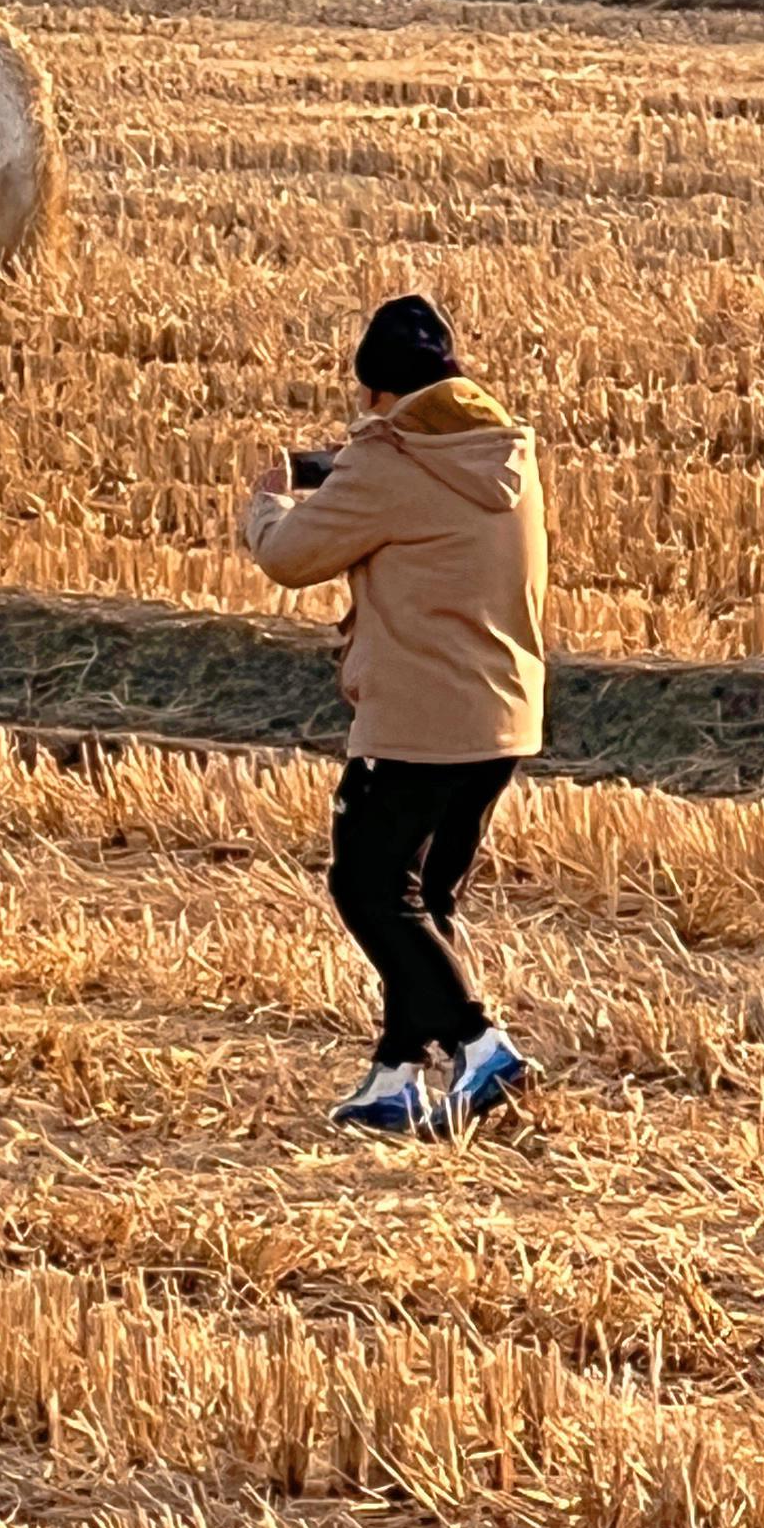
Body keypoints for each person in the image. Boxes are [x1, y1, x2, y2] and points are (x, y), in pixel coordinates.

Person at [243, 293, 548, 1139]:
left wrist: (267, 501)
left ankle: (480, 1043)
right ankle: (397, 1078)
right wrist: (340, 465)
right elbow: (397, 479)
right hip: (504, 716)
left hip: (419, 717)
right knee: (425, 901)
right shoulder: (502, 450)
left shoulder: (387, 463)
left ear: (377, 391)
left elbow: (290, 556)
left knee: (368, 886)